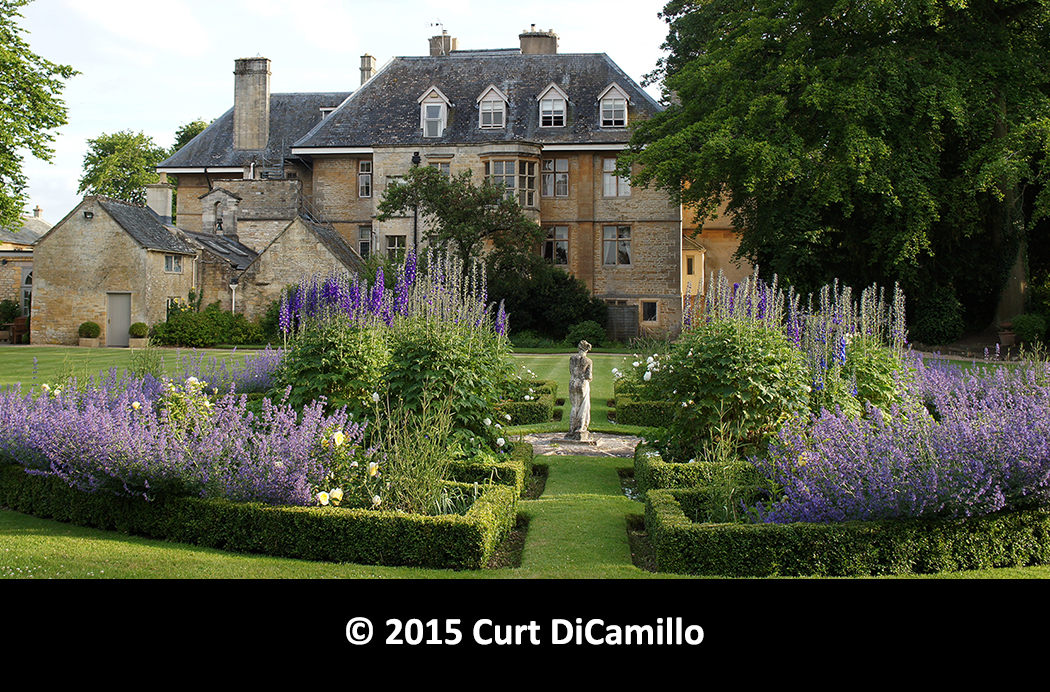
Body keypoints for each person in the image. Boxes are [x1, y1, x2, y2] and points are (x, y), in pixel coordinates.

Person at [566, 340, 593, 441]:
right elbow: (588, 376)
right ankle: (580, 428)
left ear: (578, 348)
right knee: (583, 406)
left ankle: (571, 429)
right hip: (582, 383)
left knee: (574, 406)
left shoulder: (572, 359)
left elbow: (570, 371)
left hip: (573, 382)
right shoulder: (588, 361)